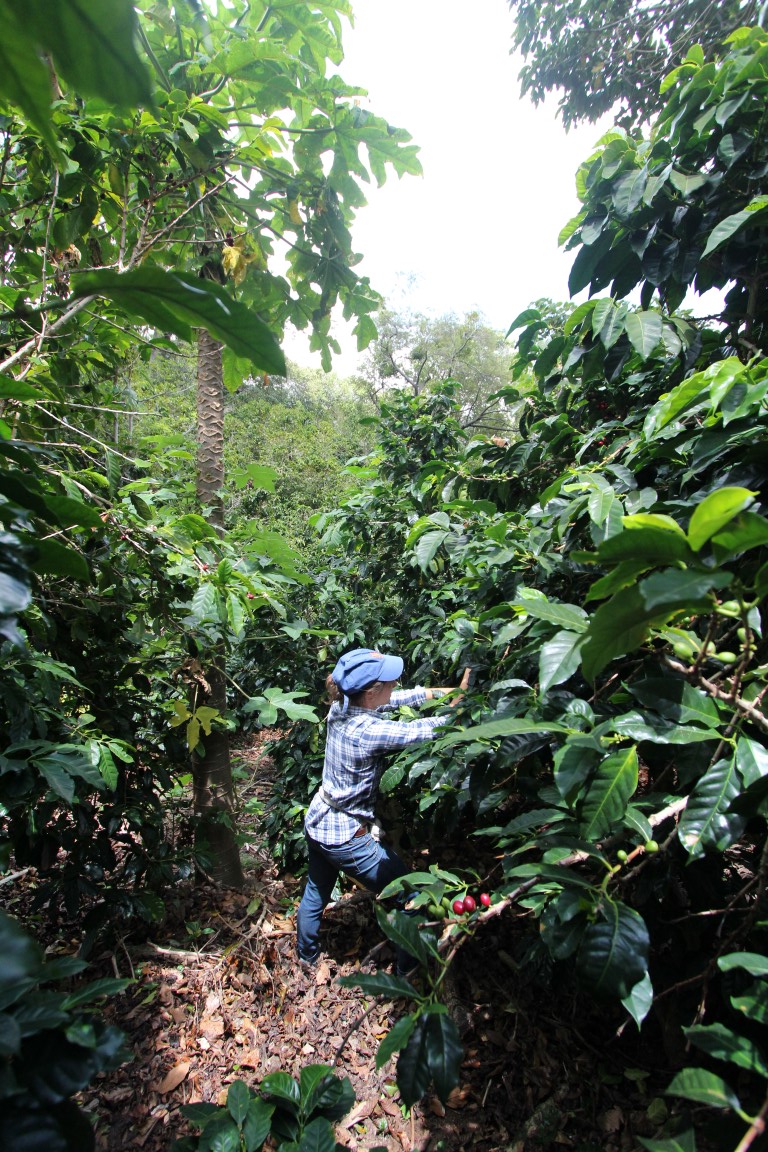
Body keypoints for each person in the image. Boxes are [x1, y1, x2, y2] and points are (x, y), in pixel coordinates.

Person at [296, 647, 468, 975]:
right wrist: (458, 710)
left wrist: (438, 692)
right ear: (372, 691)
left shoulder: (341, 705)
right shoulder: (368, 732)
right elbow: (423, 731)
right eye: (389, 681)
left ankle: (306, 957)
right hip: (345, 836)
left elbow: (396, 699)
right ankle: (408, 976)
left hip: (319, 820)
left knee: (316, 888)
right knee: (414, 896)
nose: (395, 683)